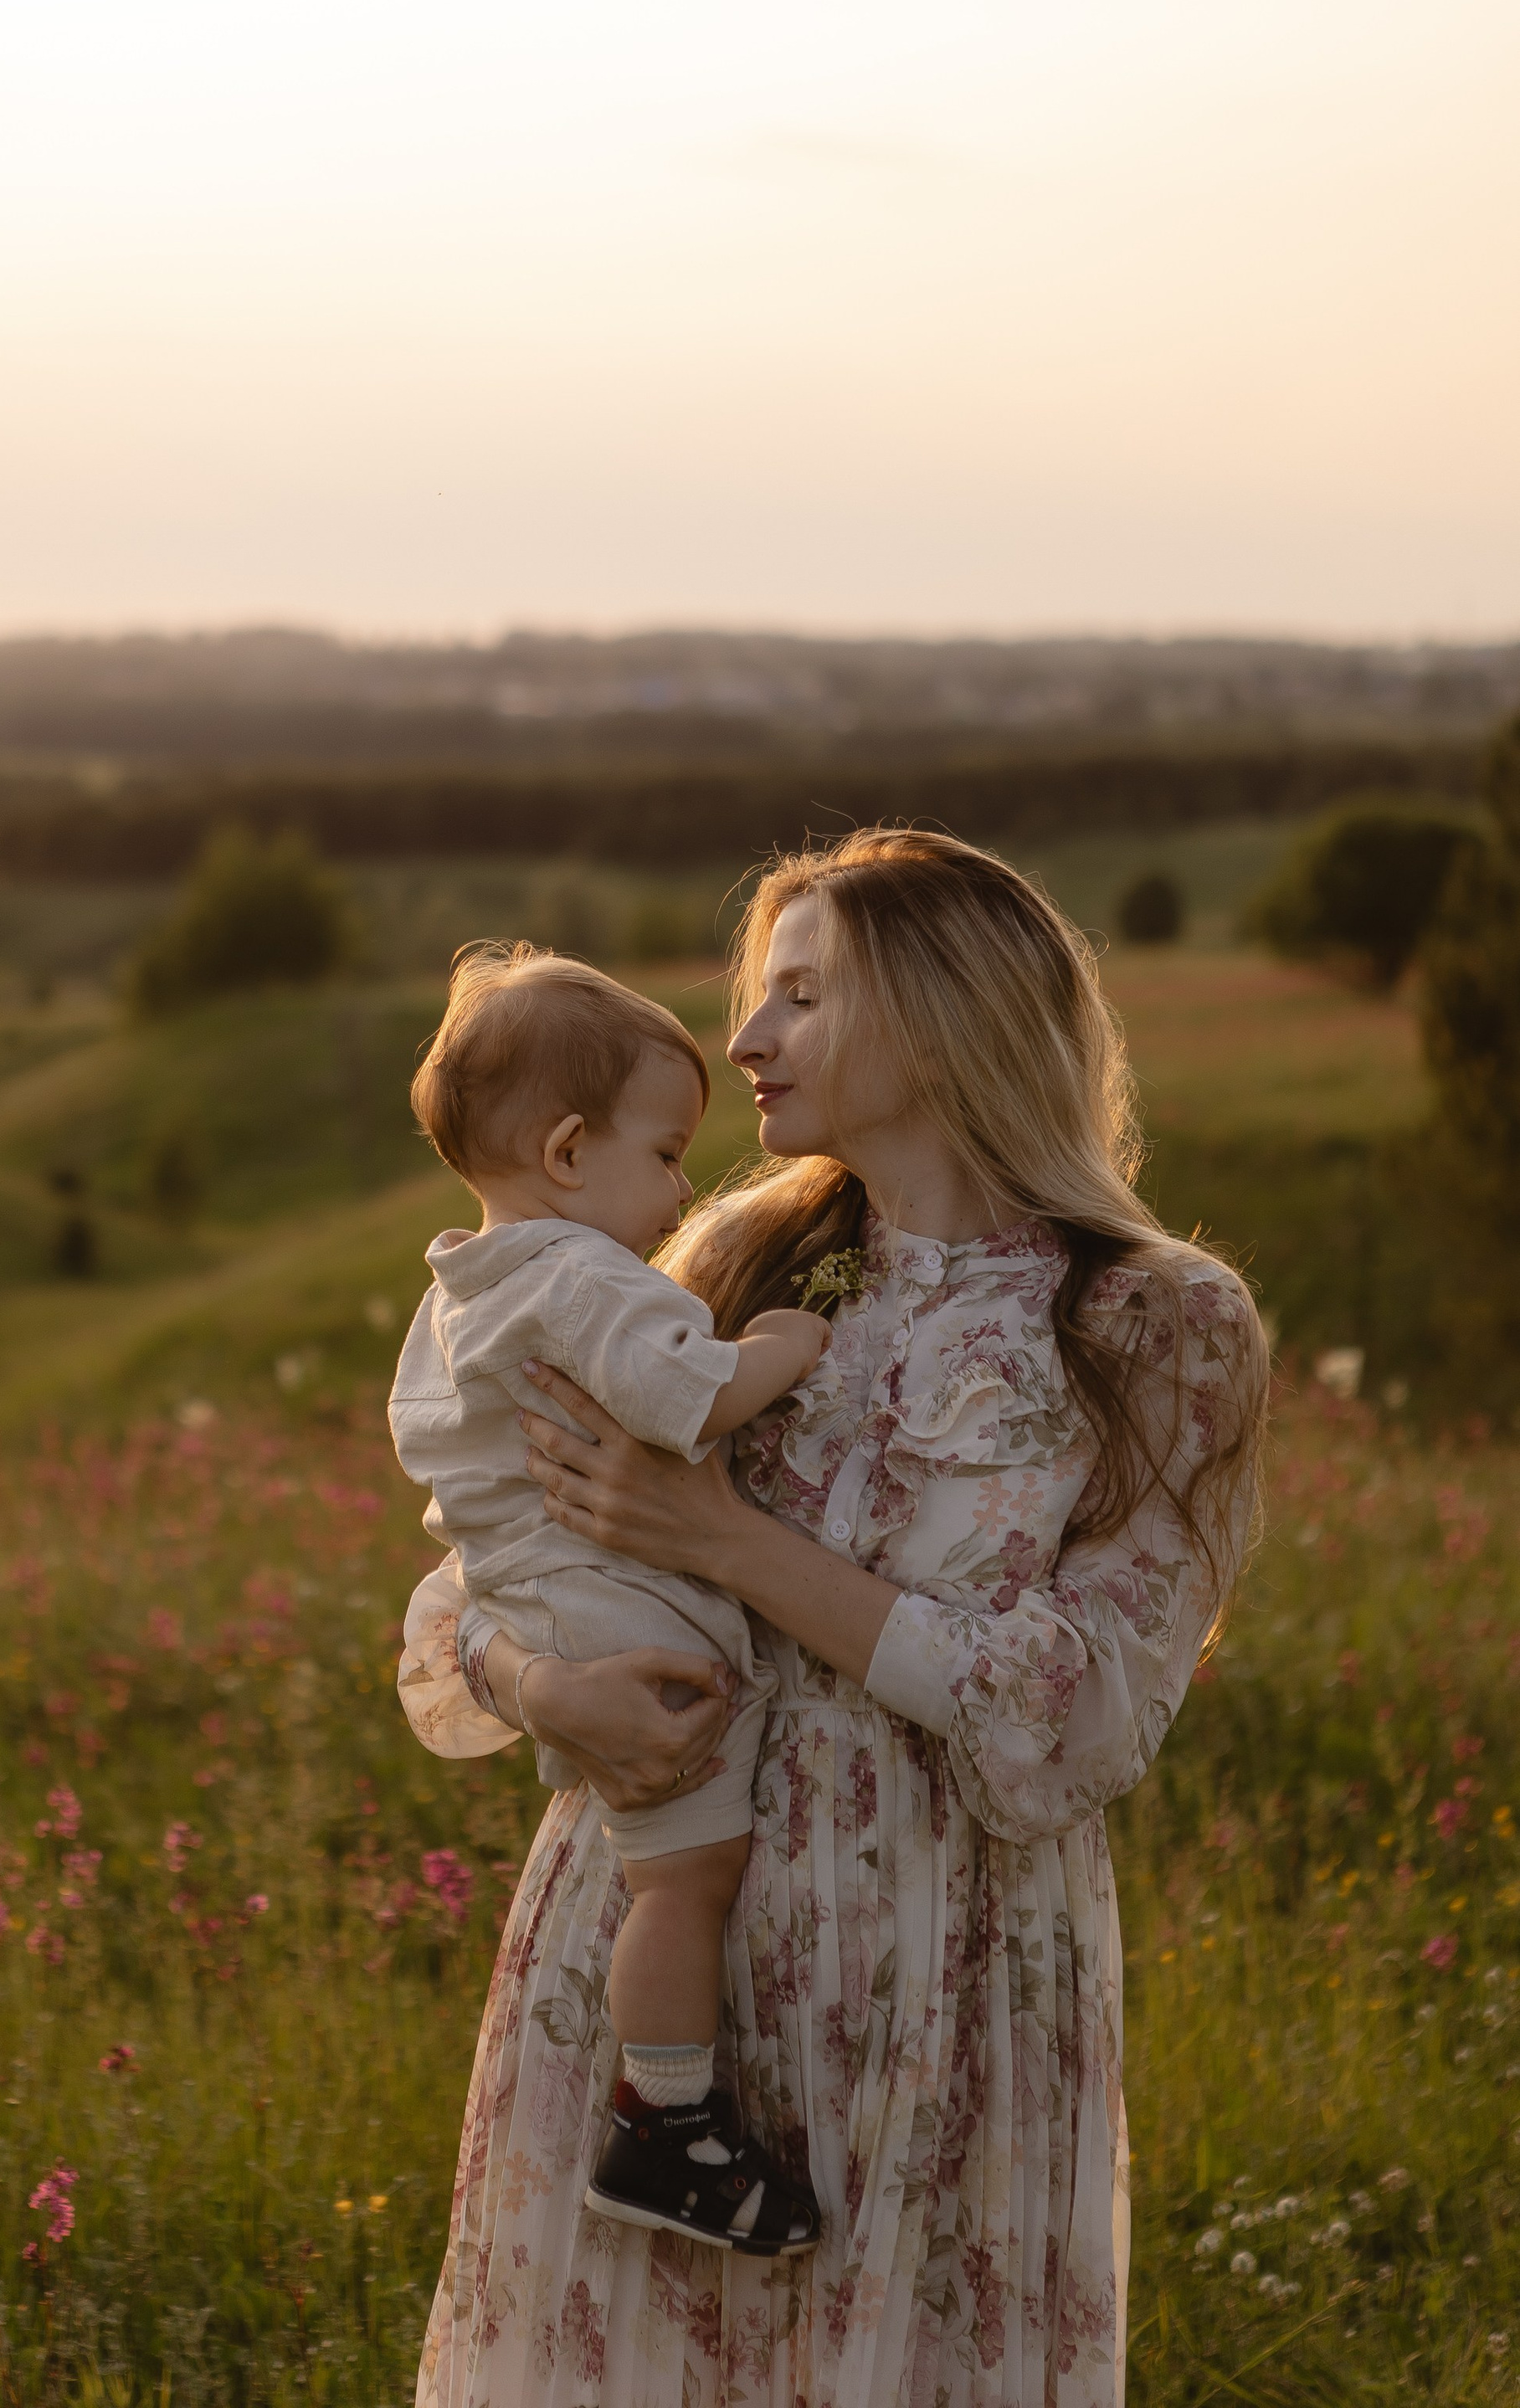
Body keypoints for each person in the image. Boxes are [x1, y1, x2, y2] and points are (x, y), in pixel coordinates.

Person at [396, 829, 1267, 2408]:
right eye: (757, 996)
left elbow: (1075, 1716)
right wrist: (540, 1685)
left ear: (943, 1014)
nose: (744, 1042)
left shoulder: (1152, 1319)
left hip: (946, 1992)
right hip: (657, 1979)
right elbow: (474, 1577)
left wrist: (725, 1540)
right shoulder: (726, 1266)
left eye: (800, 994)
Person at [391, 947, 834, 2255]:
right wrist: (774, 1350)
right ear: (571, 1152)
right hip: (619, 1613)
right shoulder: (582, 1279)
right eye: (666, 1155)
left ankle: (666, 2116)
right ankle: (665, 2123)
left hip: (541, 1600)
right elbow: (685, 1399)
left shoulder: (457, 1295)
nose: (684, 1190)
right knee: (685, 1881)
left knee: (669, 1876)